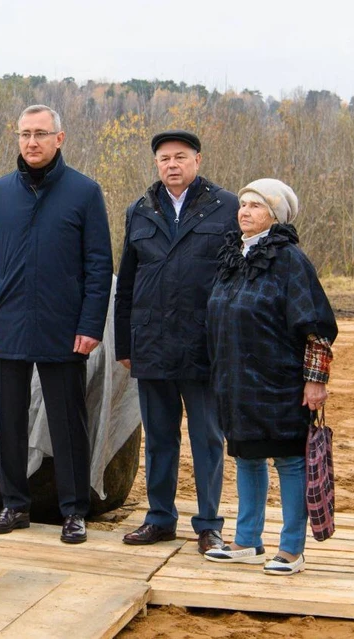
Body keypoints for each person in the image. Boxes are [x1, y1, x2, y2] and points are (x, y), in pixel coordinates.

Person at [0, 104, 112, 545]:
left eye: (41, 134)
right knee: (9, 420)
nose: (32, 142)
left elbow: (99, 265)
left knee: (68, 422)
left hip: (64, 328)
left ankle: (74, 511)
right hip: (8, 323)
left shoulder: (84, 193)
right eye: (25, 134)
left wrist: (90, 325)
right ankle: (14, 505)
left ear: (59, 139)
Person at [204, 178, 337, 576]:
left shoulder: (290, 260)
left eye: (256, 206)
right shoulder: (232, 257)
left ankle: (292, 549)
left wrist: (315, 381)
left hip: (279, 380)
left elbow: (316, 327)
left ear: (274, 215)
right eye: (242, 204)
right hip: (235, 380)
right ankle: (247, 541)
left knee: (290, 460)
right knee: (247, 456)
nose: (244, 211)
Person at [113, 130, 238, 554]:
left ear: (197, 161)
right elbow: (126, 283)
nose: (172, 165)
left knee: (207, 438)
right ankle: (160, 519)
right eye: (164, 158)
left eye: (180, 157)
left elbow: (237, 280)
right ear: (156, 164)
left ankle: (208, 524)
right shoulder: (140, 210)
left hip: (205, 347)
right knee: (159, 438)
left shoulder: (227, 208)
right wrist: (124, 346)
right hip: (151, 344)